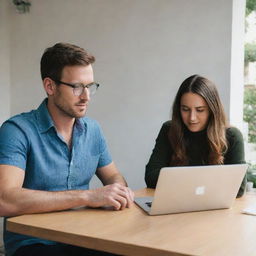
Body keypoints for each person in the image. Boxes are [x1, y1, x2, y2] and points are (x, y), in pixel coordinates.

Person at [0, 42, 134, 256]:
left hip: (84, 236)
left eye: (90, 86)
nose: (86, 97)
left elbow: (113, 176)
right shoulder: (16, 130)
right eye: (76, 87)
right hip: (35, 243)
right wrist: (87, 197)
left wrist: (117, 190)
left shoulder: (93, 130)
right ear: (50, 86)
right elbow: (4, 200)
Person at [145, 74, 247, 196]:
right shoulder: (169, 129)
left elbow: (238, 188)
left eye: (200, 110)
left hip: (214, 208)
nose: (192, 118)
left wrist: (176, 179)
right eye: (185, 109)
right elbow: (151, 177)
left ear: (212, 109)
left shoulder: (232, 136)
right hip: (177, 203)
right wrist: (209, 182)